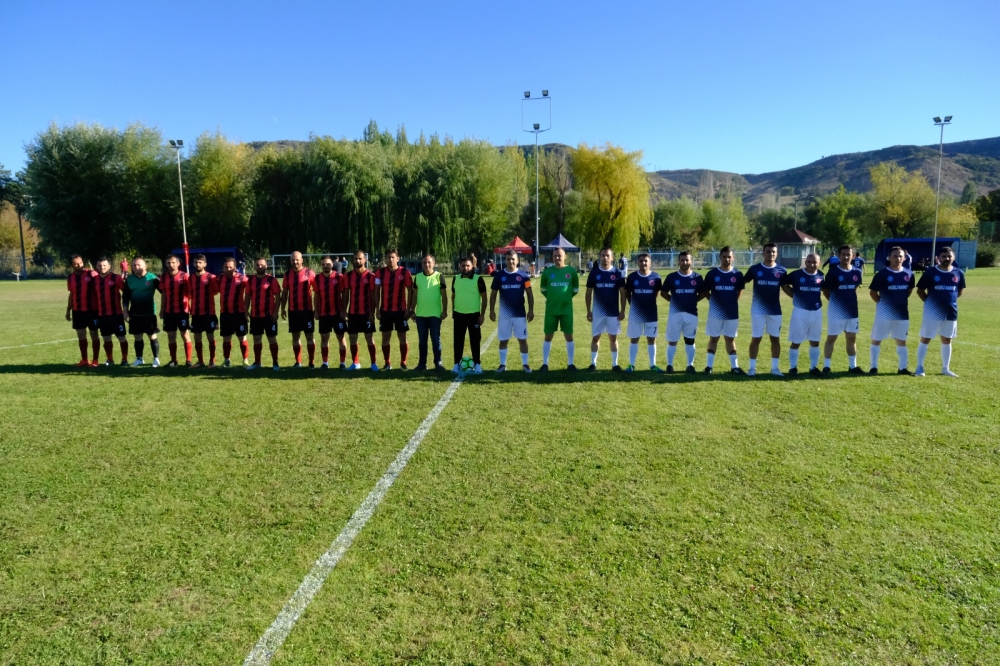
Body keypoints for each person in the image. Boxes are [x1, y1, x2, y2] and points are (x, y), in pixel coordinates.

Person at [915, 246, 966, 377]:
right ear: (938, 258)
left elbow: (959, 292)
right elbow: (920, 290)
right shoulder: (931, 272)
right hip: (932, 311)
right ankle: (919, 367)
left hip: (951, 311)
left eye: (949, 256)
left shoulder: (958, 273)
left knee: (947, 339)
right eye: (944, 256)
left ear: (953, 258)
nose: (946, 258)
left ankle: (945, 368)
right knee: (926, 338)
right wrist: (929, 303)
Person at [868, 246, 914, 375]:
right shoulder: (882, 274)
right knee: (877, 339)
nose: (898, 258)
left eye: (900, 256)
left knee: (902, 340)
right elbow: (873, 292)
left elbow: (908, 291)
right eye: (895, 256)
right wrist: (882, 303)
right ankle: (873, 367)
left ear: (904, 258)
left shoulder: (909, 274)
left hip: (902, 313)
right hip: (884, 313)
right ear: (889, 258)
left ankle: (902, 368)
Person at [743, 243, 787, 377]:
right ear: (763, 253)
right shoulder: (755, 269)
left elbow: (786, 288)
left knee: (775, 340)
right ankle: (752, 368)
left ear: (776, 254)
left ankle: (775, 369)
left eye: (773, 252)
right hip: (758, 311)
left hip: (775, 311)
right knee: (756, 339)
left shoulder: (781, 270)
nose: (771, 254)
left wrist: (798, 296)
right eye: (768, 251)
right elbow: (741, 282)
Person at [701, 246, 745, 374]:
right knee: (713, 338)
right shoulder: (712, 274)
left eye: (729, 257)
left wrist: (731, 302)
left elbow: (739, 291)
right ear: (720, 257)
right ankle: (709, 367)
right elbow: (706, 291)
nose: (727, 259)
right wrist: (713, 302)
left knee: (730, 339)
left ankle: (735, 367)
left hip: (732, 313)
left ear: (733, 258)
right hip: (715, 313)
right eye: (724, 257)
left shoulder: (737, 274)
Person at [821, 244, 864, 374]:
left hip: (852, 311)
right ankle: (826, 367)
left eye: (848, 254)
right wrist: (836, 303)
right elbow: (826, 290)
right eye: (843, 254)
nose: (846, 257)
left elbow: (855, 288)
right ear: (839, 256)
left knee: (851, 338)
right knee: (831, 338)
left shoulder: (857, 272)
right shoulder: (833, 272)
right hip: (836, 312)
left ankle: (853, 366)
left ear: (852, 256)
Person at [489, 249, 534, 372]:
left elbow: (530, 294)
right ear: (505, 260)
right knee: (503, 340)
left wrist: (531, 310)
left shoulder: (524, 276)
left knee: (522, 339)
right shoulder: (499, 276)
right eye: (508, 259)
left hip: (520, 314)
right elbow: (493, 295)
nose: (510, 261)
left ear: (517, 260)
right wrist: (491, 310)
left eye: (513, 259)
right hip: (504, 314)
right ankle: (502, 365)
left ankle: (525, 364)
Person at [781, 253, 824, 376]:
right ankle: (793, 368)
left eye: (814, 262)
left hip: (816, 312)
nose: (811, 264)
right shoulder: (796, 274)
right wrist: (794, 296)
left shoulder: (821, 275)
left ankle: (813, 367)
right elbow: (784, 284)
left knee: (815, 341)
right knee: (796, 341)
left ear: (819, 263)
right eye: (809, 262)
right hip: (800, 312)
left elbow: (824, 289)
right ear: (805, 262)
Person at [661, 250, 704, 373]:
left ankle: (690, 365)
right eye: (682, 260)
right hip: (675, 314)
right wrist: (673, 301)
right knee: (673, 340)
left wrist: (693, 300)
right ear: (678, 262)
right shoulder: (672, 277)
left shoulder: (697, 277)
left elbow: (702, 293)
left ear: (691, 261)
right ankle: (669, 365)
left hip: (691, 314)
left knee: (690, 340)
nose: (685, 262)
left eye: (687, 260)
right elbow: (663, 293)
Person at [538, 247, 579, 371]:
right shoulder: (547, 272)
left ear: (565, 256)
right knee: (548, 336)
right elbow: (543, 289)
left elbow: (575, 290)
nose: (557, 258)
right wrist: (552, 298)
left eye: (559, 255)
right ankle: (545, 364)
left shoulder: (571, 272)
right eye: (555, 256)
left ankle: (570, 364)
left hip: (566, 309)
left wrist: (565, 298)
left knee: (569, 336)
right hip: (551, 309)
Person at [585, 247, 626, 371]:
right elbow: (588, 293)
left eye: (608, 255)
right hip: (598, 312)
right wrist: (588, 311)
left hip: (613, 313)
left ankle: (615, 364)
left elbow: (623, 293)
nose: (605, 258)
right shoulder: (594, 273)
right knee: (596, 337)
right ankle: (593, 363)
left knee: (613, 337)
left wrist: (622, 311)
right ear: (600, 257)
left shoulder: (618, 273)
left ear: (612, 258)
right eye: (603, 255)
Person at [373, 248, 412, 370]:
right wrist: (377, 309)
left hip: (401, 311)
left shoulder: (405, 272)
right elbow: (376, 292)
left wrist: (408, 308)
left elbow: (410, 291)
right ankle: (387, 363)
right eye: (388, 257)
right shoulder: (380, 273)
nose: (391, 259)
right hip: (385, 311)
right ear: (385, 259)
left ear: (398, 258)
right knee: (385, 337)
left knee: (402, 337)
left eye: (393, 257)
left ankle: (403, 362)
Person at [623, 252, 663, 372]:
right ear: (638, 263)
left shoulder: (656, 277)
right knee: (634, 339)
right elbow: (627, 293)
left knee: (651, 339)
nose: (643, 263)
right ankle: (631, 365)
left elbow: (656, 293)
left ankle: (653, 365)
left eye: (646, 261)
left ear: (650, 263)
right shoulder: (632, 277)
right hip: (635, 313)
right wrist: (633, 304)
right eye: (641, 261)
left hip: (651, 313)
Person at [340, 250, 378, 371]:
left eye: (360, 258)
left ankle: (374, 363)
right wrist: (344, 310)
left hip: (366, 313)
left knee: (369, 338)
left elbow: (373, 296)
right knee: (352, 338)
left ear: (364, 260)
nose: (357, 261)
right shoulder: (348, 276)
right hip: (353, 313)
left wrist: (372, 312)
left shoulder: (370, 276)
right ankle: (355, 363)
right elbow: (346, 295)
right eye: (355, 258)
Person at [409, 254, 448, 371]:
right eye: (424, 263)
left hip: (435, 315)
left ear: (433, 263)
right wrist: (412, 310)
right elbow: (414, 295)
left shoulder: (439, 276)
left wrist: (444, 311)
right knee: (422, 341)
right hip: (421, 315)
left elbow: (444, 296)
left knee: (436, 340)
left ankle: (438, 363)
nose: (427, 264)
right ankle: (422, 364)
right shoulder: (418, 277)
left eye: (429, 262)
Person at [280, 251, 317, 368]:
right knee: (295, 337)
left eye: (297, 259)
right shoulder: (287, 275)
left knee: (309, 337)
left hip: (307, 311)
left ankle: (311, 362)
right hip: (293, 311)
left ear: (302, 260)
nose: (295, 262)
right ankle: (298, 361)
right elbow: (285, 293)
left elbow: (317, 292)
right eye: (293, 260)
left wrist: (316, 309)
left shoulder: (310, 273)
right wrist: (283, 308)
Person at [452, 255, 488, 374]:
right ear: (460, 267)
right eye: (463, 266)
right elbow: (453, 296)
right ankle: (456, 364)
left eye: (468, 265)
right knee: (458, 341)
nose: (465, 268)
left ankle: (477, 364)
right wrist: (453, 310)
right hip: (459, 315)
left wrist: (482, 315)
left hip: (474, 316)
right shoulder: (455, 279)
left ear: (472, 266)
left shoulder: (478, 279)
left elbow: (484, 298)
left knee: (475, 341)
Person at [122, 257, 161, 367]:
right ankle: (139, 359)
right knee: (137, 337)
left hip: (149, 313)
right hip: (135, 313)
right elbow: (125, 298)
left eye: (139, 265)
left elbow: (165, 292)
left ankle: (156, 359)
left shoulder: (153, 278)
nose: (136, 267)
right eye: (134, 265)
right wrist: (125, 312)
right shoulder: (129, 280)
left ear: (145, 266)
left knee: (152, 335)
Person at [246, 257, 282, 370]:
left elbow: (278, 297)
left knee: (272, 339)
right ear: (254, 266)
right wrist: (246, 310)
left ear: (266, 266)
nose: (260, 266)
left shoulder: (272, 280)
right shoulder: (250, 280)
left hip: (269, 315)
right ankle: (257, 363)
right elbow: (247, 296)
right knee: (256, 339)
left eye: (262, 264)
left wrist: (276, 312)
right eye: (257, 265)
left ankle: (275, 363)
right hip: (255, 315)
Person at [157, 253, 192, 367]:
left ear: (178, 263)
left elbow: (191, 292)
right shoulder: (163, 277)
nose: (171, 265)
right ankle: (174, 360)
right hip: (169, 311)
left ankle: (188, 360)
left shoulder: (185, 276)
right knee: (171, 335)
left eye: (173, 262)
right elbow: (164, 294)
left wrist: (188, 303)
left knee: (185, 334)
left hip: (182, 311)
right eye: (168, 263)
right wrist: (162, 309)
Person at [93, 257, 129, 366]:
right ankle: (110, 359)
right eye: (100, 265)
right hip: (102, 315)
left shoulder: (116, 278)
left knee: (121, 337)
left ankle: (124, 360)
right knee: (106, 338)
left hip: (116, 314)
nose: (102, 267)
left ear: (109, 266)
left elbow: (126, 293)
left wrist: (125, 309)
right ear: (96, 266)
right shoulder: (95, 280)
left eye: (104, 265)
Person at [66, 254, 100, 367]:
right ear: (71, 265)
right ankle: (84, 359)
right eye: (75, 264)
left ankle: (95, 360)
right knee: (81, 335)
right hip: (77, 311)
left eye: (80, 263)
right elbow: (72, 294)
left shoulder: (92, 274)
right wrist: (68, 310)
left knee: (94, 334)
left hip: (92, 311)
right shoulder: (70, 278)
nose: (78, 265)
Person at [314, 255, 346, 369]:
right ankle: (325, 363)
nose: (325, 266)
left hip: (337, 313)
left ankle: (342, 363)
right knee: (324, 338)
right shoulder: (317, 278)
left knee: (341, 337)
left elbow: (344, 294)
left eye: (327, 264)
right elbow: (316, 296)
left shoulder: (339, 277)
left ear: (332, 264)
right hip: (323, 314)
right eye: (323, 264)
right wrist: (316, 310)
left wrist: (343, 310)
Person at [188, 254, 220, 368]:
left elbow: (216, 291)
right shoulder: (190, 278)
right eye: (196, 262)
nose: (198, 264)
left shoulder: (211, 277)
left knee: (210, 336)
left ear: (205, 264)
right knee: (197, 337)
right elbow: (189, 293)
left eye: (200, 262)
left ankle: (212, 361)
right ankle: (200, 361)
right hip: (196, 313)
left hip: (208, 313)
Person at [218, 257, 249, 367]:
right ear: (223, 268)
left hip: (239, 313)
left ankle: (245, 360)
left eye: (231, 267)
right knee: (226, 338)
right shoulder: (220, 278)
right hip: (225, 313)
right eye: (226, 267)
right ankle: (227, 360)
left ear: (235, 267)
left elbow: (252, 290)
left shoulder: (242, 278)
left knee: (242, 337)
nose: (228, 269)